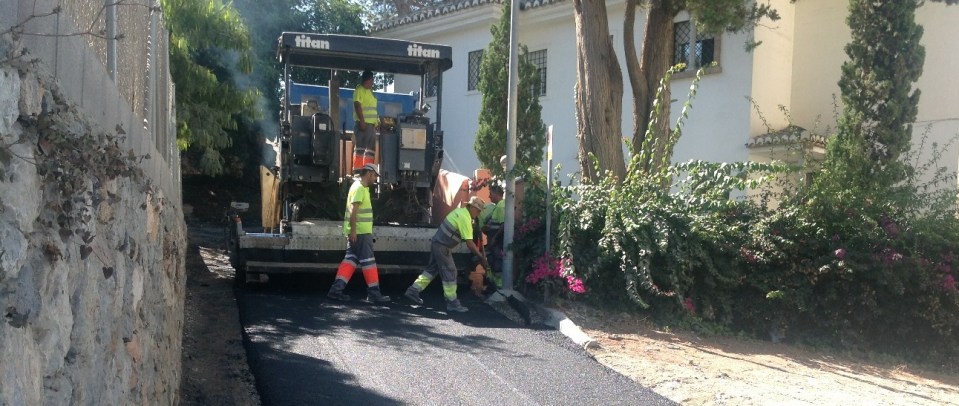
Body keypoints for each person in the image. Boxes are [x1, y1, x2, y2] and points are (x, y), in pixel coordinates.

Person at [404, 196, 490, 312]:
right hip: (442, 246)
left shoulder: (461, 212)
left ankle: (413, 291)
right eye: (479, 210)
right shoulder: (465, 218)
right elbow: (470, 243)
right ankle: (452, 302)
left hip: (438, 243)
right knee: (450, 271)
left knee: (431, 270)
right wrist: (481, 257)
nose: (479, 213)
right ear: (473, 208)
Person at [327, 163, 390, 303]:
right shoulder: (360, 188)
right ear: (368, 173)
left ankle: (335, 291)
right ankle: (374, 293)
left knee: (350, 261)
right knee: (369, 263)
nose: (375, 178)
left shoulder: (360, 188)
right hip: (361, 233)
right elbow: (352, 212)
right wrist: (354, 231)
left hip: (358, 233)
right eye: (374, 175)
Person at [479, 184, 506, 290]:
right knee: (492, 260)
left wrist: (495, 237)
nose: (489, 197)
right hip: (495, 240)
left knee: (497, 261)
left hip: (497, 241)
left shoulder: (501, 206)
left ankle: (497, 286)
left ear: (496, 194)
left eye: (491, 194)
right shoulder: (498, 206)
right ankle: (493, 284)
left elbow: (503, 224)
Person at [352, 70, 379, 172]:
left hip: (371, 126)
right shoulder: (359, 90)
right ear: (368, 80)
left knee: (370, 151)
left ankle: (368, 171)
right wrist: (362, 122)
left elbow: (373, 109)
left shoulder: (370, 92)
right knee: (360, 149)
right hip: (363, 124)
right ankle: (358, 171)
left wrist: (376, 122)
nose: (372, 83)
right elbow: (357, 105)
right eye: (372, 81)